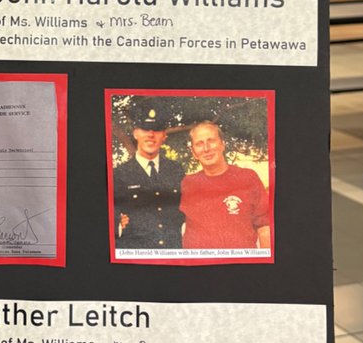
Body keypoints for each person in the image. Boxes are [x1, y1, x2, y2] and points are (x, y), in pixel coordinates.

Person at [180, 121, 271, 252]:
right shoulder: (186, 184)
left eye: (211, 140)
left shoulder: (248, 178)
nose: (206, 148)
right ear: (194, 152)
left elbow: (265, 227)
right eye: (199, 144)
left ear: (223, 144)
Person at [113, 104, 185, 252]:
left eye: (157, 130)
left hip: (172, 252)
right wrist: (118, 225)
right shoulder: (119, 174)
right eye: (145, 129)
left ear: (164, 135)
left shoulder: (176, 170)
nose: (151, 134)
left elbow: (187, 211)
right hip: (136, 254)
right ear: (135, 133)